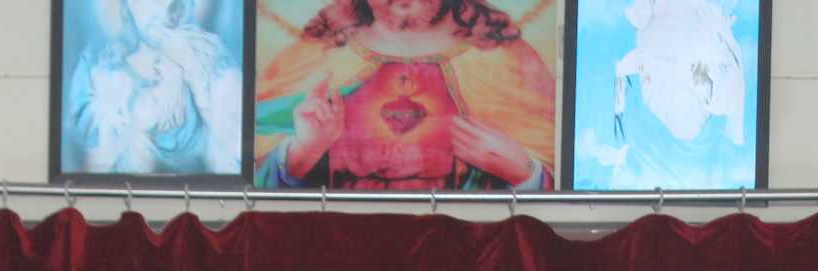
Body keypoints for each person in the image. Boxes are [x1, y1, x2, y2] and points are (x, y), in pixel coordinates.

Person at [254, 0, 557, 192]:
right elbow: (252, 183)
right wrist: (302, 152)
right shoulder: (314, 56)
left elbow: (556, 186)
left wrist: (523, 171)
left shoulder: (508, 61)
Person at [61, 0, 243, 176]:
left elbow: (236, 157)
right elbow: (93, 175)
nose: (167, 6)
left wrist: (198, 80)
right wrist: (138, 128)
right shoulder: (99, 73)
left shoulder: (208, 57)